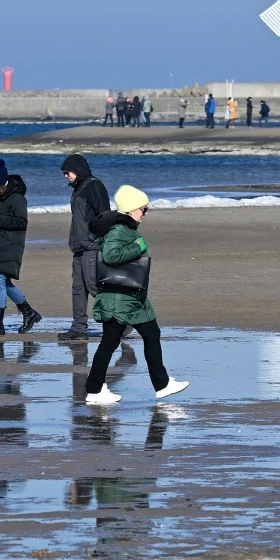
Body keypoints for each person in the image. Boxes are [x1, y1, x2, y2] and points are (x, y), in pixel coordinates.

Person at [82, 185, 190, 404]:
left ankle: (163, 384)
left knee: (151, 334)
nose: (146, 213)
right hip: (120, 299)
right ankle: (94, 391)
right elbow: (111, 256)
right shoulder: (119, 229)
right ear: (131, 209)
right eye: (143, 209)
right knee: (110, 343)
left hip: (131, 297)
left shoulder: (125, 228)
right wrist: (138, 247)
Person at [0, 160, 42, 335]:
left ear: (1, 183)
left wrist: (0, 220)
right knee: (4, 282)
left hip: (12, 244)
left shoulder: (17, 198)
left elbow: (22, 222)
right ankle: (29, 312)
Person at [59, 154, 110, 341]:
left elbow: (105, 216)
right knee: (78, 289)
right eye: (64, 173)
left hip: (92, 246)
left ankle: (120, 321)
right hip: (78, 247)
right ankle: (79, 328)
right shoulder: (78, 188)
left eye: (67, 172)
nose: (65, 176)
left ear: (78, 170)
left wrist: (100, 241)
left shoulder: (95, 186)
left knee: (94, 286)